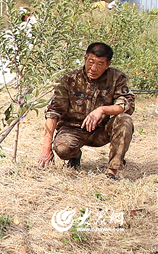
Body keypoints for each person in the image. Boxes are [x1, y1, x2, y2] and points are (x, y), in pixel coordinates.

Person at [38, 42, 134, 179]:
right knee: (62, 148)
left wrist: (102, 110)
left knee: (125, 120)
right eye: (91, 61)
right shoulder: (69, 79)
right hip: (73, 130)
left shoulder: (116, 78)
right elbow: (54, 112)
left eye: (100, 64)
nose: (93, 68)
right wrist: (46, 149)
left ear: (108, 65)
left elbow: (126, 105)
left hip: (101, 131)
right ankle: (74, 156)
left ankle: (112, 171)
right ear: (85, 58)